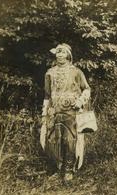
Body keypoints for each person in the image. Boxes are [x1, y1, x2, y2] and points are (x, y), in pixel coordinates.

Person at [40, 43, 91, 183]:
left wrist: (80, 102)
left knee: (69, 139)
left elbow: (87, 89)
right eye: (58, 52)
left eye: (63, 52)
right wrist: (45, 113)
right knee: (53, 139)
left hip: (71, 111)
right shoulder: (49, 72)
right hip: (54, 111)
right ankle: (57, 168)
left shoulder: (76, 72)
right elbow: (46, 95)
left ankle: (68, 170)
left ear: (68, 54)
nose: (60, 55)